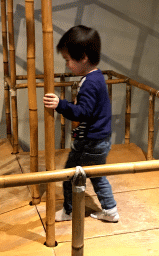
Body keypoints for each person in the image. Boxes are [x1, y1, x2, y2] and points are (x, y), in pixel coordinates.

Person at [43, 25, 119, 222]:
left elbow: (83, 113)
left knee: (71, 176)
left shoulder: (90, 83)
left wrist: (60, 104)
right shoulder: (95, 77)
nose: (67, 65)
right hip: (98, 140)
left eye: (68, 60)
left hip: (91, 143)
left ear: (83, 57)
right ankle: (110, 210)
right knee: (96, 175)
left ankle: (69, 211)